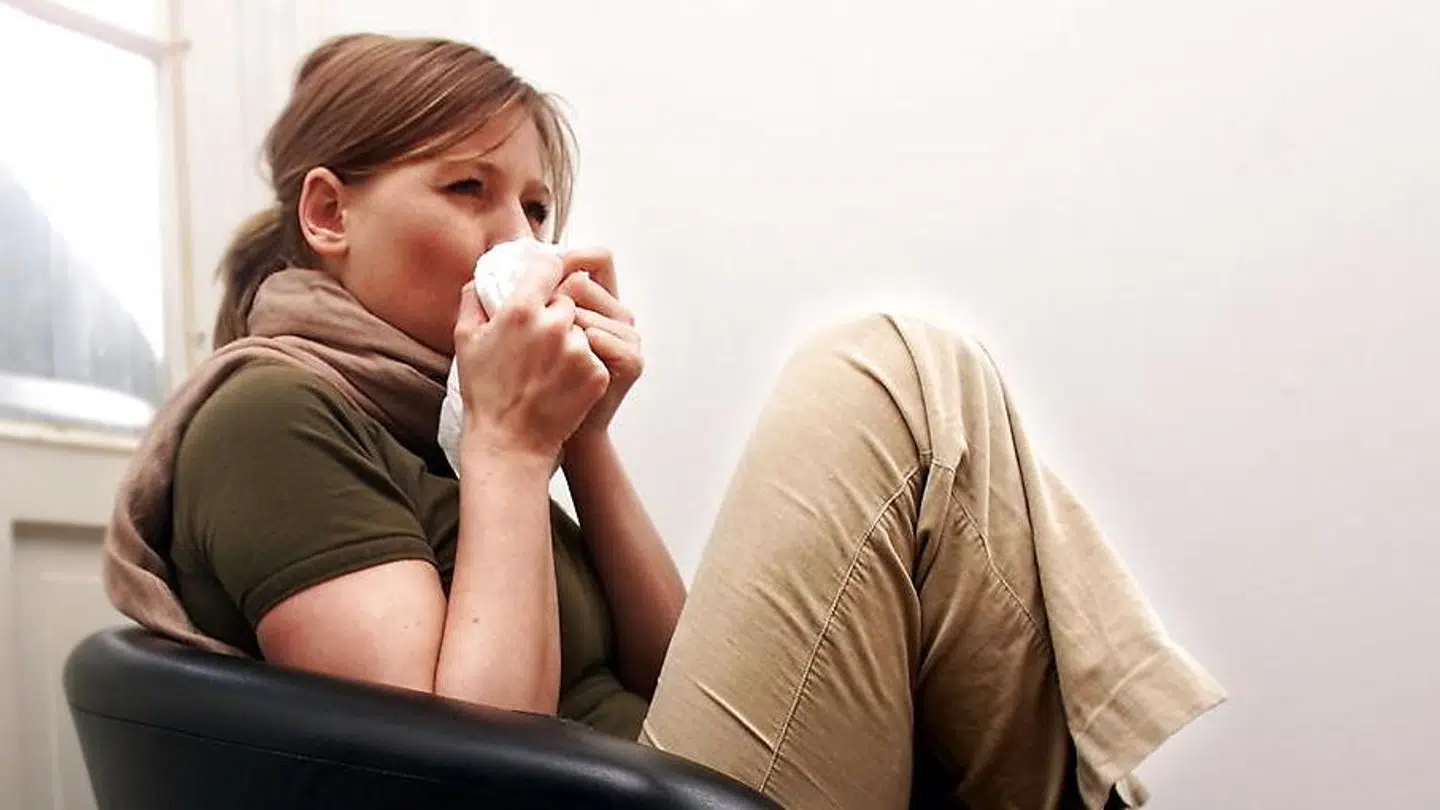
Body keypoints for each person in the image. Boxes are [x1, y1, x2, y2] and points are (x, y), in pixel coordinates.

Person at [101, 33, 1225, 810]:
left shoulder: (444, 426)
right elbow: (449, 782)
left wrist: (584, 437)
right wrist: (510, 448)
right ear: (329, 214)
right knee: (883, 369)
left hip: (660, 779)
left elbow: (672, 671)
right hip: (606, 805)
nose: (520, 237)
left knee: (937, 386)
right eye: (467, 189)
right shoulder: (272, 412)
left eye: (536, 205)